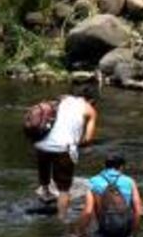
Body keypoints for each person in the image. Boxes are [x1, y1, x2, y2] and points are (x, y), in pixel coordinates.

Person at [34, 84, 99, 219]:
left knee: (45, 165)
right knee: (64, 189)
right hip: (64, 148)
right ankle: (61, 219)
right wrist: (77, 143)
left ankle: (45, 192)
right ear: (91, 100)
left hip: (40, 143)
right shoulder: (89, 109)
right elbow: (88, 138)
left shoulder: (60, 100)